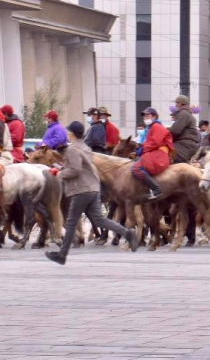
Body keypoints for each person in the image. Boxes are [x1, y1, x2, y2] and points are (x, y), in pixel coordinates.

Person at [44, 121, 137, 264]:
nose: (68, 134)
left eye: (69, 132)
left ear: (72, 133)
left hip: (81, 189)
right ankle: (128, 234)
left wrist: (59, 174)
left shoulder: (72, 150)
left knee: (71, 222)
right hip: (93, 187)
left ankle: (62, 255)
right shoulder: (86, 147)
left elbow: (75, 169)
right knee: (100, 219)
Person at [132, 107, 173, 200]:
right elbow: (149, 143)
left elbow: (155, 142)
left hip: (159, 155)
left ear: (154, 116)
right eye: (144, 116)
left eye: (148, 115)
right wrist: (139, 148)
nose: (145, 117)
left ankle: (156, 189)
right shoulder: (152, 127)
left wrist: (141, 150)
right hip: (156, 153)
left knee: (135, 168)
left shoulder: (156, 126)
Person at [168, 95, 200, 163]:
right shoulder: (188, 114)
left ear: (180, 104)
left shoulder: (183, 113)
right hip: (188, 145)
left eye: (176, 104)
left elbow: (175, 130)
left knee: (165, 154)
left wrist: (164, 131)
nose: (175, 105)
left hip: (184, 145)